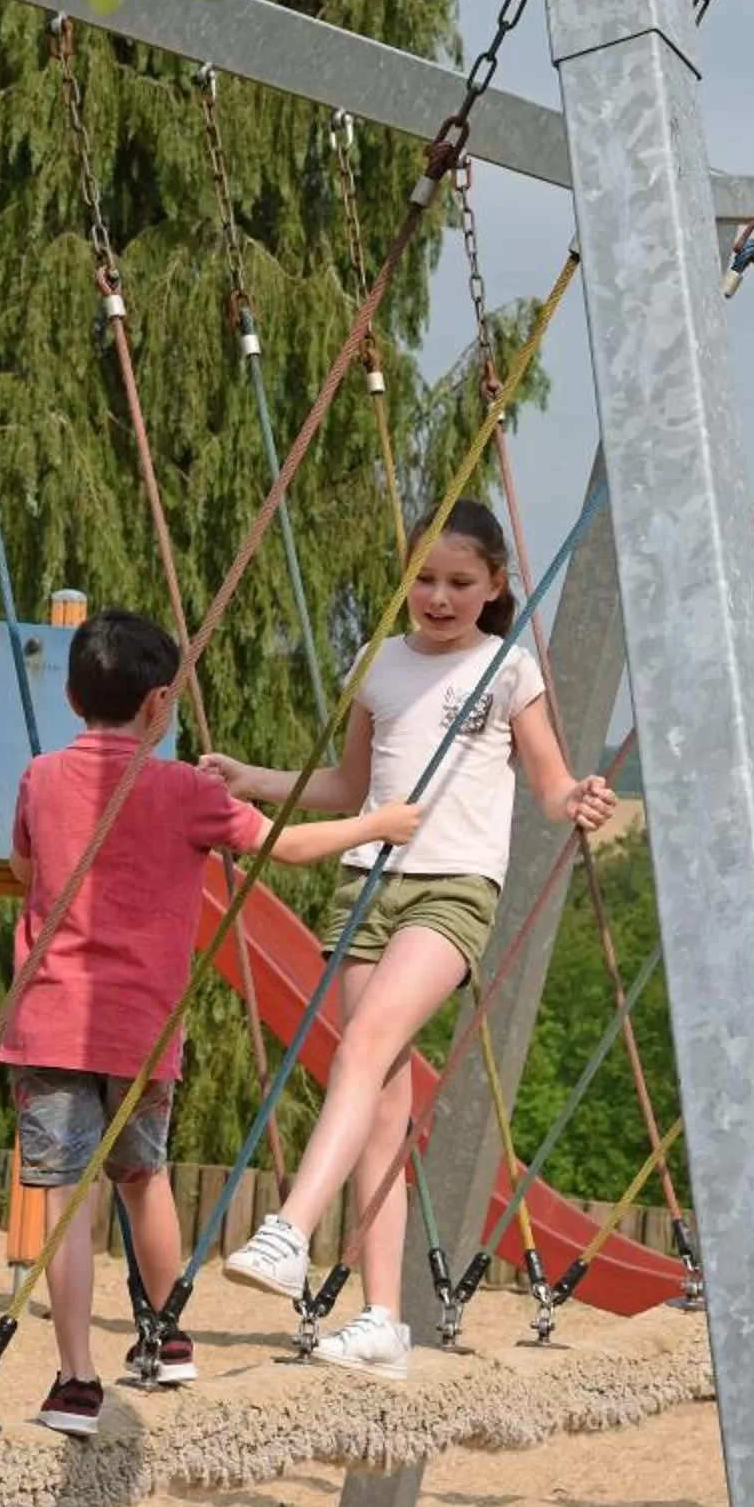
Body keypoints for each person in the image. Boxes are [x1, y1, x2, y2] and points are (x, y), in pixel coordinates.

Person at [207, 499, 616, 1377]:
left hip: (455, 887)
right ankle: (383, 1319)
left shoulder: (507, 669)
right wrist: (253, 779)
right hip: (368, 885)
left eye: (459, 582)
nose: (438, 597)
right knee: (381, 1106)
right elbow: (348, 784)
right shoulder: (378, 663)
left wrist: (577, 797)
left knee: (364, 1042)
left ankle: (291, 1229)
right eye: (424, 579)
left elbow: (548, 785)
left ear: (495, 585)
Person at [4, 607, 422, 1437]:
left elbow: (25, 866)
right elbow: (286, 847)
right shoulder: (187, 791)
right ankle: (168, 1336)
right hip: (142, 1028)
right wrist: (378, 825)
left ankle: (77, 1381)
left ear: (74, 698)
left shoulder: (41, 778)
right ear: (159, 704)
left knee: (63, 1199)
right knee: (142, 1177)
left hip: (50, 1019)